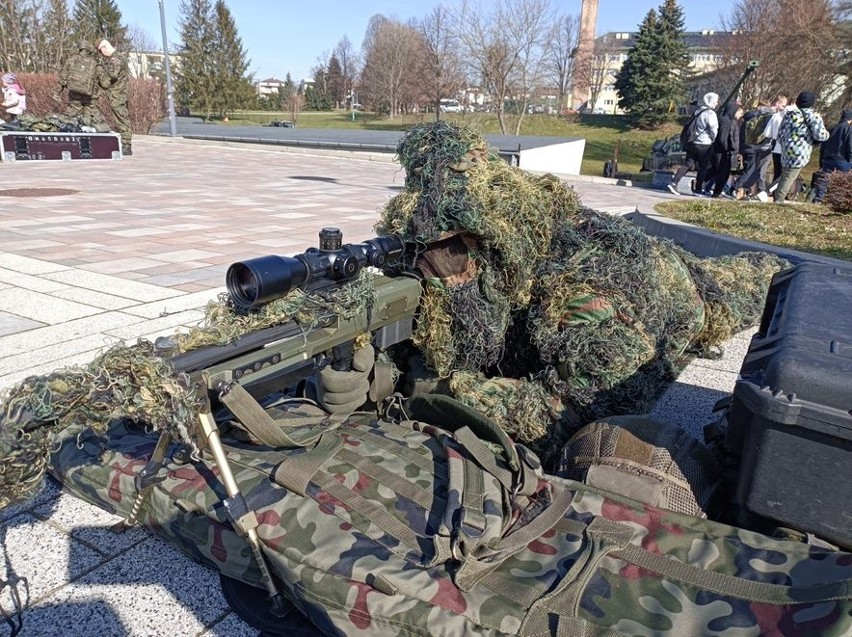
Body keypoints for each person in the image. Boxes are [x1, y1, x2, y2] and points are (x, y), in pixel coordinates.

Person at [773, 91, 830, 203]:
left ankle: (773, 195)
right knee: (789, 176)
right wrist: (827, 134)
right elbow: (821, 135)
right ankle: (778, 199)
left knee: (786, 174)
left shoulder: (789, 115)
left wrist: (786, 143)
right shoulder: (813, 116)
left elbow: (780, 134)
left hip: (786, 150)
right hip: (800, 152)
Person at [668, 92, 719, 196]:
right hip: (705, 144)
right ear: (711, 101)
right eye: (716, 101)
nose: (717, 103)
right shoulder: (711, 113)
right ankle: (698, 189)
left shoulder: (698, 111)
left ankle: (674, 182)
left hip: (693, 142)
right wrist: (713, 139)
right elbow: (714, 129)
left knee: (688, 164)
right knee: (703, 167)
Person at [55, 40, 106, 131]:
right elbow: (104, 83)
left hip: (75, 96)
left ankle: (69, 137)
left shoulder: (71, 60)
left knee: (70, 119)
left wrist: (56, 93)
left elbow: (62, 79)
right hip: (91, 98)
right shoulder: (95, 64)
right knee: (93, 121)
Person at [731, 100, 776, 198]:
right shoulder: (763, 118)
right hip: (755, 147)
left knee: (749, 169)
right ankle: (736, 187)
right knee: (752, 170)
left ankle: (743, 189)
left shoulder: (748, 117)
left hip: (744, 146)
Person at [96, 38, 132, 156]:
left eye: (101, 51)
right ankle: (125, 143)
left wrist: (100, 68)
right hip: (119, 94)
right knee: (122, 119)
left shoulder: (115, 59)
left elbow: (112, 74)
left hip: (118, 95)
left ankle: (126, 145)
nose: (102, 54)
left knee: (122, 120)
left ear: (105, 47)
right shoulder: (118, 57)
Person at [813, 109, 852, 203]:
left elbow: (823, 145)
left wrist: (821, 159)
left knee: (824, 180)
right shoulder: (849, 129)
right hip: (842, 160)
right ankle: (836, 201)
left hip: (828, 158)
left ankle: (818, 199)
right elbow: (850, 146)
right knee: (841, 182)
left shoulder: (832, 128)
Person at [710, 102, 743, 197]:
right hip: (721, 151)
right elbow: (722, 137)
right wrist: (727, 148)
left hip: (721, 150)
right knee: (721, 172)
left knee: (722, 172)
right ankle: (717, 191)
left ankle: (717, 191)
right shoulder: (725, 121)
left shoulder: (726, 119)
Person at [761, 94, 790, 187]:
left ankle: (772, 191)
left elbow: (767, 133)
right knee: (784, 172)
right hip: (787, 147)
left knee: (777, 170)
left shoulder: (775, 116)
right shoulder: (789, 117)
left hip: (775, 146)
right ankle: (775, 191)